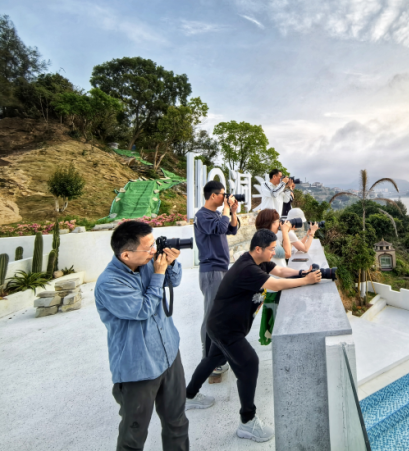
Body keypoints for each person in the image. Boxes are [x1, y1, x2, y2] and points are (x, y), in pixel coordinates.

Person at [185, 229, 322, 442]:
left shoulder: (260, 262)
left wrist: (303, 273)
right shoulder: (247, 268)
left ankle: (188, 396)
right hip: (225, 329)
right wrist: (306, 281)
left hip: (221, 324)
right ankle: (247, 421)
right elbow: (275, 284)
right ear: (258, 249)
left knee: (212, 360)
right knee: (249, 364)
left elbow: (281, 271)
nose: (274, 252)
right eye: (271, 249)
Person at [95, 221, 187, 451]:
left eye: (153, 244)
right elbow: (143, 310)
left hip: (169, 355)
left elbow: (174, 281)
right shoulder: (109, 283)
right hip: (138, 369)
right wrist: (159, 273)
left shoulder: (147, 263)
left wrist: (171, 264)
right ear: (126, 254)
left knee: (177, 423)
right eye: (148, 248)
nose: (154, 251)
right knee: (133, 437)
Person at [194, 180, 239, 380]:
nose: (225, 197)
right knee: (211, 316)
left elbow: (231, 229)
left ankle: (217, 358)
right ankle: (209, 362)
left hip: (220, 269)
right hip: (211, 270)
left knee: (219, 314)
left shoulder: (216, 215)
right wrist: (226, 210)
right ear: (213, 195)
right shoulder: (202, 216)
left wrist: (233, 212)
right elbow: (220, 229)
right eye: (223, 194)